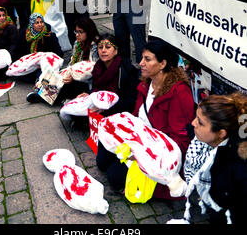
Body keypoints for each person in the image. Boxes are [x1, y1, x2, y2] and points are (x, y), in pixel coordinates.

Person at [96, 38, 195, 200]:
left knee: (115, 177)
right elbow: (136, 117)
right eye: (142, 58)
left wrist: (142, 155)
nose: (141, 63)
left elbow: (180, 142)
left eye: (147, 59)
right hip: (139, 140)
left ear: (162, 64)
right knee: (102, 158)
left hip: (158, 153)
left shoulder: (179, 93)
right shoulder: (146, 83)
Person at [182, 93, 247, 225]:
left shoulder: (235, 167)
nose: (193, 123)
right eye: (196, 117)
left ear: (221, 133)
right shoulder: (220, 147)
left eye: (200, 122)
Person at [61, 33, 139, 119]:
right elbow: (97, 90)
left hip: (119, 106)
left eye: (108, 47)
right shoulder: (98, 67)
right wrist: (89, 94)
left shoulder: (126, 69)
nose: (103, 51)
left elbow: (130, 101)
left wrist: (104, 108)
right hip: (102, 102)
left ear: (116, 51)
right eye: (100, 47)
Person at [27, 17, 99, 104]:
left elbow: (94, 71)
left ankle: (49, 98)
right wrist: (66, 73)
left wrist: (73, 77)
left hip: (86, 81)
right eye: (76, 31)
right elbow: (72, 62)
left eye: (81, 32)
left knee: (67, 85)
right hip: (73, 74)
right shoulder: (77, 43)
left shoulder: (95, 47)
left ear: (89, 32)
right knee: (51, 76)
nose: (77, 35)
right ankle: (43, 94)